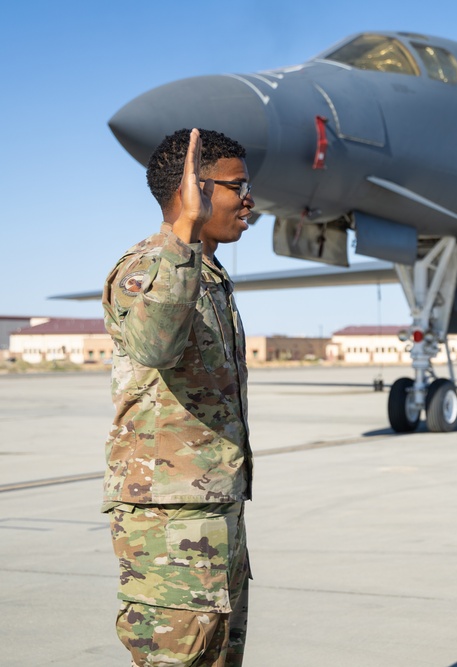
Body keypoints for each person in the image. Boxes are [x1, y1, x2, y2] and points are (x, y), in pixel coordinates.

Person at [102, 128, 255, 667]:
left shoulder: (205, 273)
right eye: (237, 185)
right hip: (168, 520)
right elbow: (153, 344)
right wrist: (184, 231)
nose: (248, 199)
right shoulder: (149, 267)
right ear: (196, 188)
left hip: (211, 509)